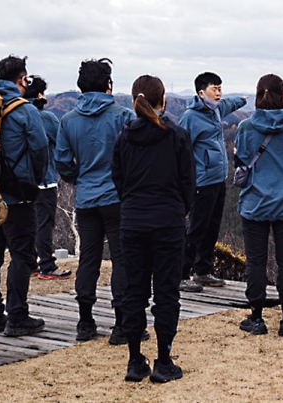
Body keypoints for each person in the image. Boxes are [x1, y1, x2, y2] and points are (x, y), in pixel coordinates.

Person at [112, 75, 194, 382]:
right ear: (163, 102)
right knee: (166, 293)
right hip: (168, 222)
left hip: (132, 221)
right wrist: (179, 210)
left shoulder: (124, 137)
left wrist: (132, 205)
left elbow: (117, 179)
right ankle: (163, 360)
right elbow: (188, 182)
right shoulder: (176, 136)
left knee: (134, 291)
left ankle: (135, 360)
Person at [55, 58, 137, 343]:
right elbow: (133, 159)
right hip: (117, 197)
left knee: (88, 259)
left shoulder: (68, 120)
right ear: (108, 84)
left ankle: (85, 321)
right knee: (121, 259)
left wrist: (80, 178)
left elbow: (63, 161)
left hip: (87, 197)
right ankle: (121, 323)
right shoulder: (123, 116)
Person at [0, 55, 48, 336]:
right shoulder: (25, 110)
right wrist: (35, 180)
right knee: (22, 255)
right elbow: (40, 148)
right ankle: (17, 314)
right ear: (22, 80)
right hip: (18, 195)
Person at [234, 74, 283, 336]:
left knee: (255, 262)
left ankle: (256, 317)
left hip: (255, 204)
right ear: (282, 95)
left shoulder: (245, 128)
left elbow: (240, 160)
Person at [178, 72, 247, 292]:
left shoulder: (215, 110)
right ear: (201, 93)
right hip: (201, 182)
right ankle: (181, 273)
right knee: (197, 228)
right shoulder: (191, 117)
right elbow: (181, 148)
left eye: (219, 88)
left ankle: (203, 271)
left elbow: (229, 104)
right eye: (213, 89)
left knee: (212, 227)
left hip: (218, 180)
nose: (218, 93)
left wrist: (244, 99)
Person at [24, 75, 71, 280]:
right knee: (45, 223)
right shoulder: (47, 118)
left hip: (22, 180)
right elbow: (60, 142)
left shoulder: (15, 115)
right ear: (40, 95)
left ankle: (30, 262)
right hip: (45, 179)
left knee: (28, 223)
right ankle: (47, 265)